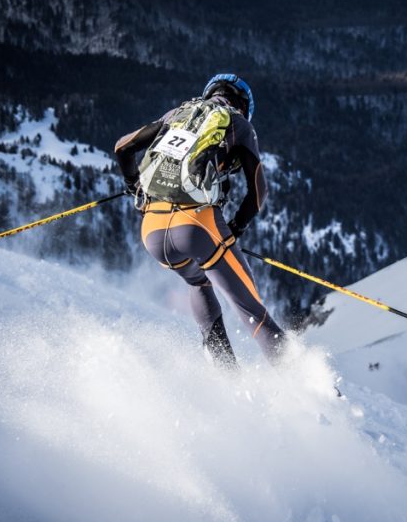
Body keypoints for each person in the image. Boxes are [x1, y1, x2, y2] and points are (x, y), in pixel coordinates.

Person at [113, 73, 286, 368]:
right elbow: (259, 192)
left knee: (198, 282)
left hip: (152, 231)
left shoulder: (176, 115)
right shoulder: (238, 123)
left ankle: (226, 377)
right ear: (243, 105)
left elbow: (122, 147)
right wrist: (235, 228)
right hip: (198, 225)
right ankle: (311, 386)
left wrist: (134, 185)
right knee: (253, 312)